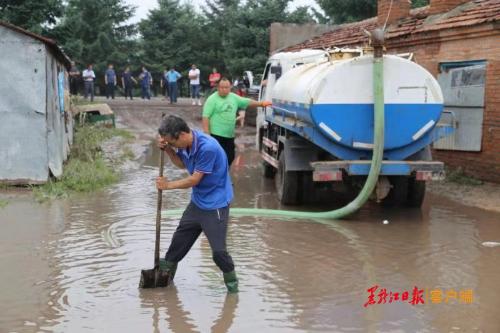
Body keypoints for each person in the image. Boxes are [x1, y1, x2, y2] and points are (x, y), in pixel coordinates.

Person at [156, 115, 238, 293]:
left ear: (183, 134)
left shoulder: (207, 148)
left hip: (215, 204)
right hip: (197, 203)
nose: (172, 145)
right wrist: (169, 150)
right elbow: (181, 164)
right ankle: (164, 288)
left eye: (172, 142)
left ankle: (233, 291)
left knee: (219, 254)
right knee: (175, 248)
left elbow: (194, 179)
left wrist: (168, 185)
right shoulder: (186, 145)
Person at [202, 77, 271, 166]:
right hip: (215, 135)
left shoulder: (233, 97)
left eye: (226, 87)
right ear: (218, 88)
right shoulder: (212, 99)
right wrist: (207, 135)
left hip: (229, 135)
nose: (224, 89)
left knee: (230, 157)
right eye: (222, 87)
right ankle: (217, 176)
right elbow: (205, 117)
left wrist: (261, 104)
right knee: (217, 158)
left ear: (230, 88)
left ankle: (223, 174)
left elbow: (247, 102)